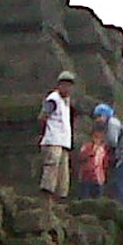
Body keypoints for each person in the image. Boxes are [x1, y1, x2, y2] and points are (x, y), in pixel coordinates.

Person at [39, 70, 75, 201]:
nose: (67, 88)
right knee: (52, 167)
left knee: (63, 173)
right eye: (65, 85)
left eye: (70, 85)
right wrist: (43, 133)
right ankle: (47, 195)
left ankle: (60, 199)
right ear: (59, 85)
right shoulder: (53, 99)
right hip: (53, 140)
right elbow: (43, 116)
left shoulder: (66, 102)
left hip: (64, 142)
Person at [74, 120, 110, 199]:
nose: (97, 140)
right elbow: (81, 157)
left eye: (100, 138)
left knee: (97, 196)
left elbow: (105, 164)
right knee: (84, 195)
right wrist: (92, 152)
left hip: (99, 178)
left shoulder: (103, 150)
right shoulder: (87, 147)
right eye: (95, 137)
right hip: (86, 176)